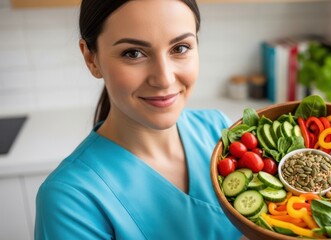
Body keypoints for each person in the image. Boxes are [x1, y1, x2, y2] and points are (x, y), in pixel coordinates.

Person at [34, 0, 243, 239]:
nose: (164, 79)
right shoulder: (69, 199)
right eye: (133, 53)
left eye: (180, 48)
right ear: (91, 59)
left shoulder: (218, 129)